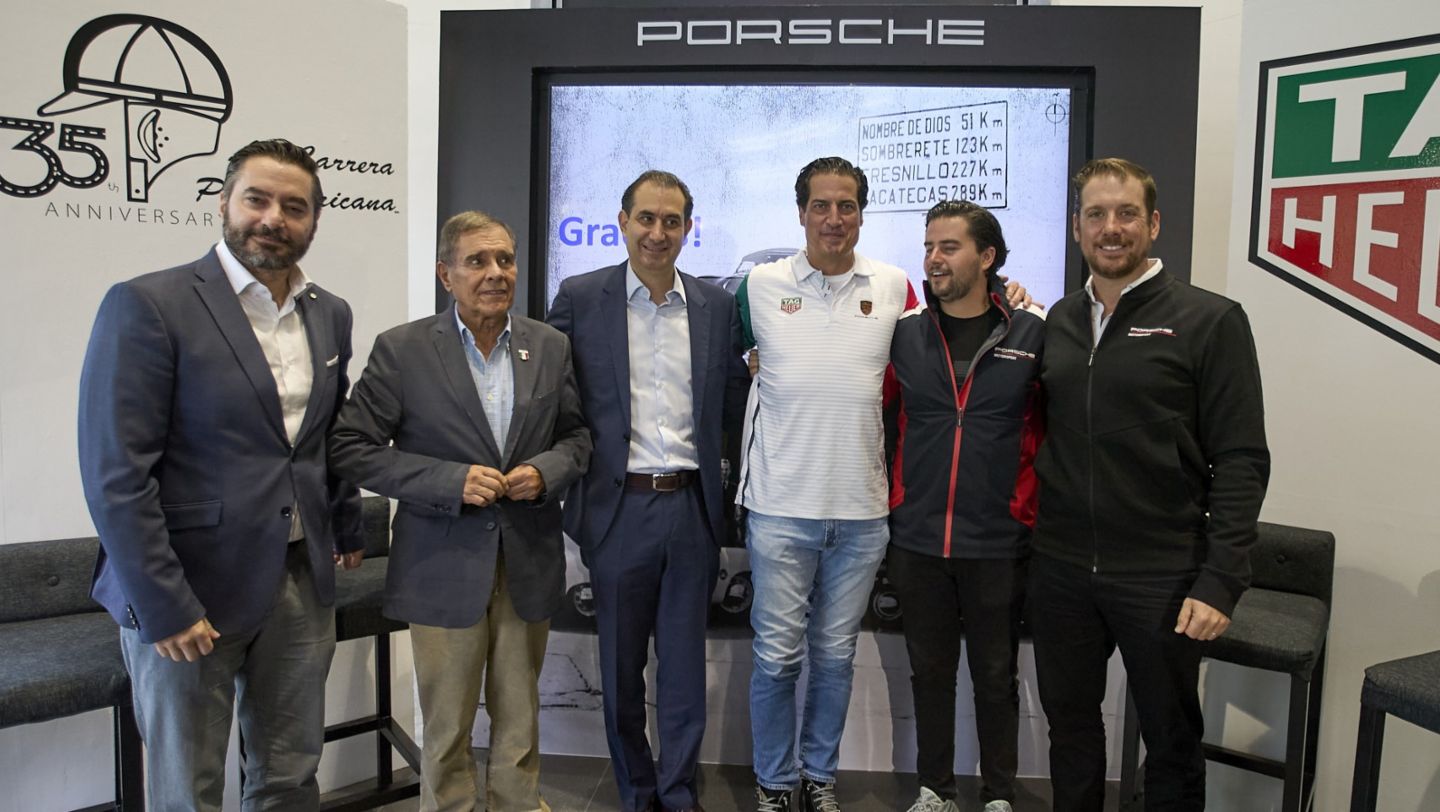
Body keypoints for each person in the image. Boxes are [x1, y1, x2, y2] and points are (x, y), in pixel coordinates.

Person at [78, 138, 363, 811]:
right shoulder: (149, 304)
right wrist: (163, 602)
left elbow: (321, 437)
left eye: (295, 207)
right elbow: (116, 473)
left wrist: (345, 523)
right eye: (256, 199)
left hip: (298, 582)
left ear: (314, 221)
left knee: (290, 775)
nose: (273, 218)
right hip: (189, 588)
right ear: (223, 204)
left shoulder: (330, 313)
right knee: (189, 788)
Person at [328, 211, 590, 812]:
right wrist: (447, 481)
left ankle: (518, 804)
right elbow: (349, 446)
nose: (495, 273)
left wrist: (544, 473)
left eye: (504, 260)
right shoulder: (404, 349)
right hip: (441, 563)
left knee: (520, 714)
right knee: (446, 724)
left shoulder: (548, 346)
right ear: (446, 274)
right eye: (477, 262)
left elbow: (577, 440)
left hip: (527, 557)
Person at [1030, 158, 1270, 811]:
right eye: (1096, 215)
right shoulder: (1059, 320)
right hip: (1060, 569)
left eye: (1126, 213)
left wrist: (1221, 579)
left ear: (1154, 223)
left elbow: (1243, 459)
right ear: (1077, 228)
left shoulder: (1209, 320)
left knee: (1169, 743)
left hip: (1162, 574)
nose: (1112, 228)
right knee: (1072, 732)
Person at [547, 170, 751, 812]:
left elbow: (734, 401)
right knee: (619, 668)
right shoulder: (580, 297)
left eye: (672, 221)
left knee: (686, 667)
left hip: (691, 509)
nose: (658, 233)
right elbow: (555, 402)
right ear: (623, 220)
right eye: (646, 218)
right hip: (617, 509)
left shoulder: (717, 306)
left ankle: (679, 790)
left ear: (689, 228)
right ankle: (637, 791)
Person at [886, 200, 1045, 812]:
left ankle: (1000, 795)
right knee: (929, 673)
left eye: (949, 247)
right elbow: (884, 421)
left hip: (998, 539)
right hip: (919, 537)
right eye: (929, 246)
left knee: (995, 676)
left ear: (987, 257)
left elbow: (1049, 430)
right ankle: (936, 790)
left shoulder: (1033, 334)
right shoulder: (905, 333)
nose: (933, 259)